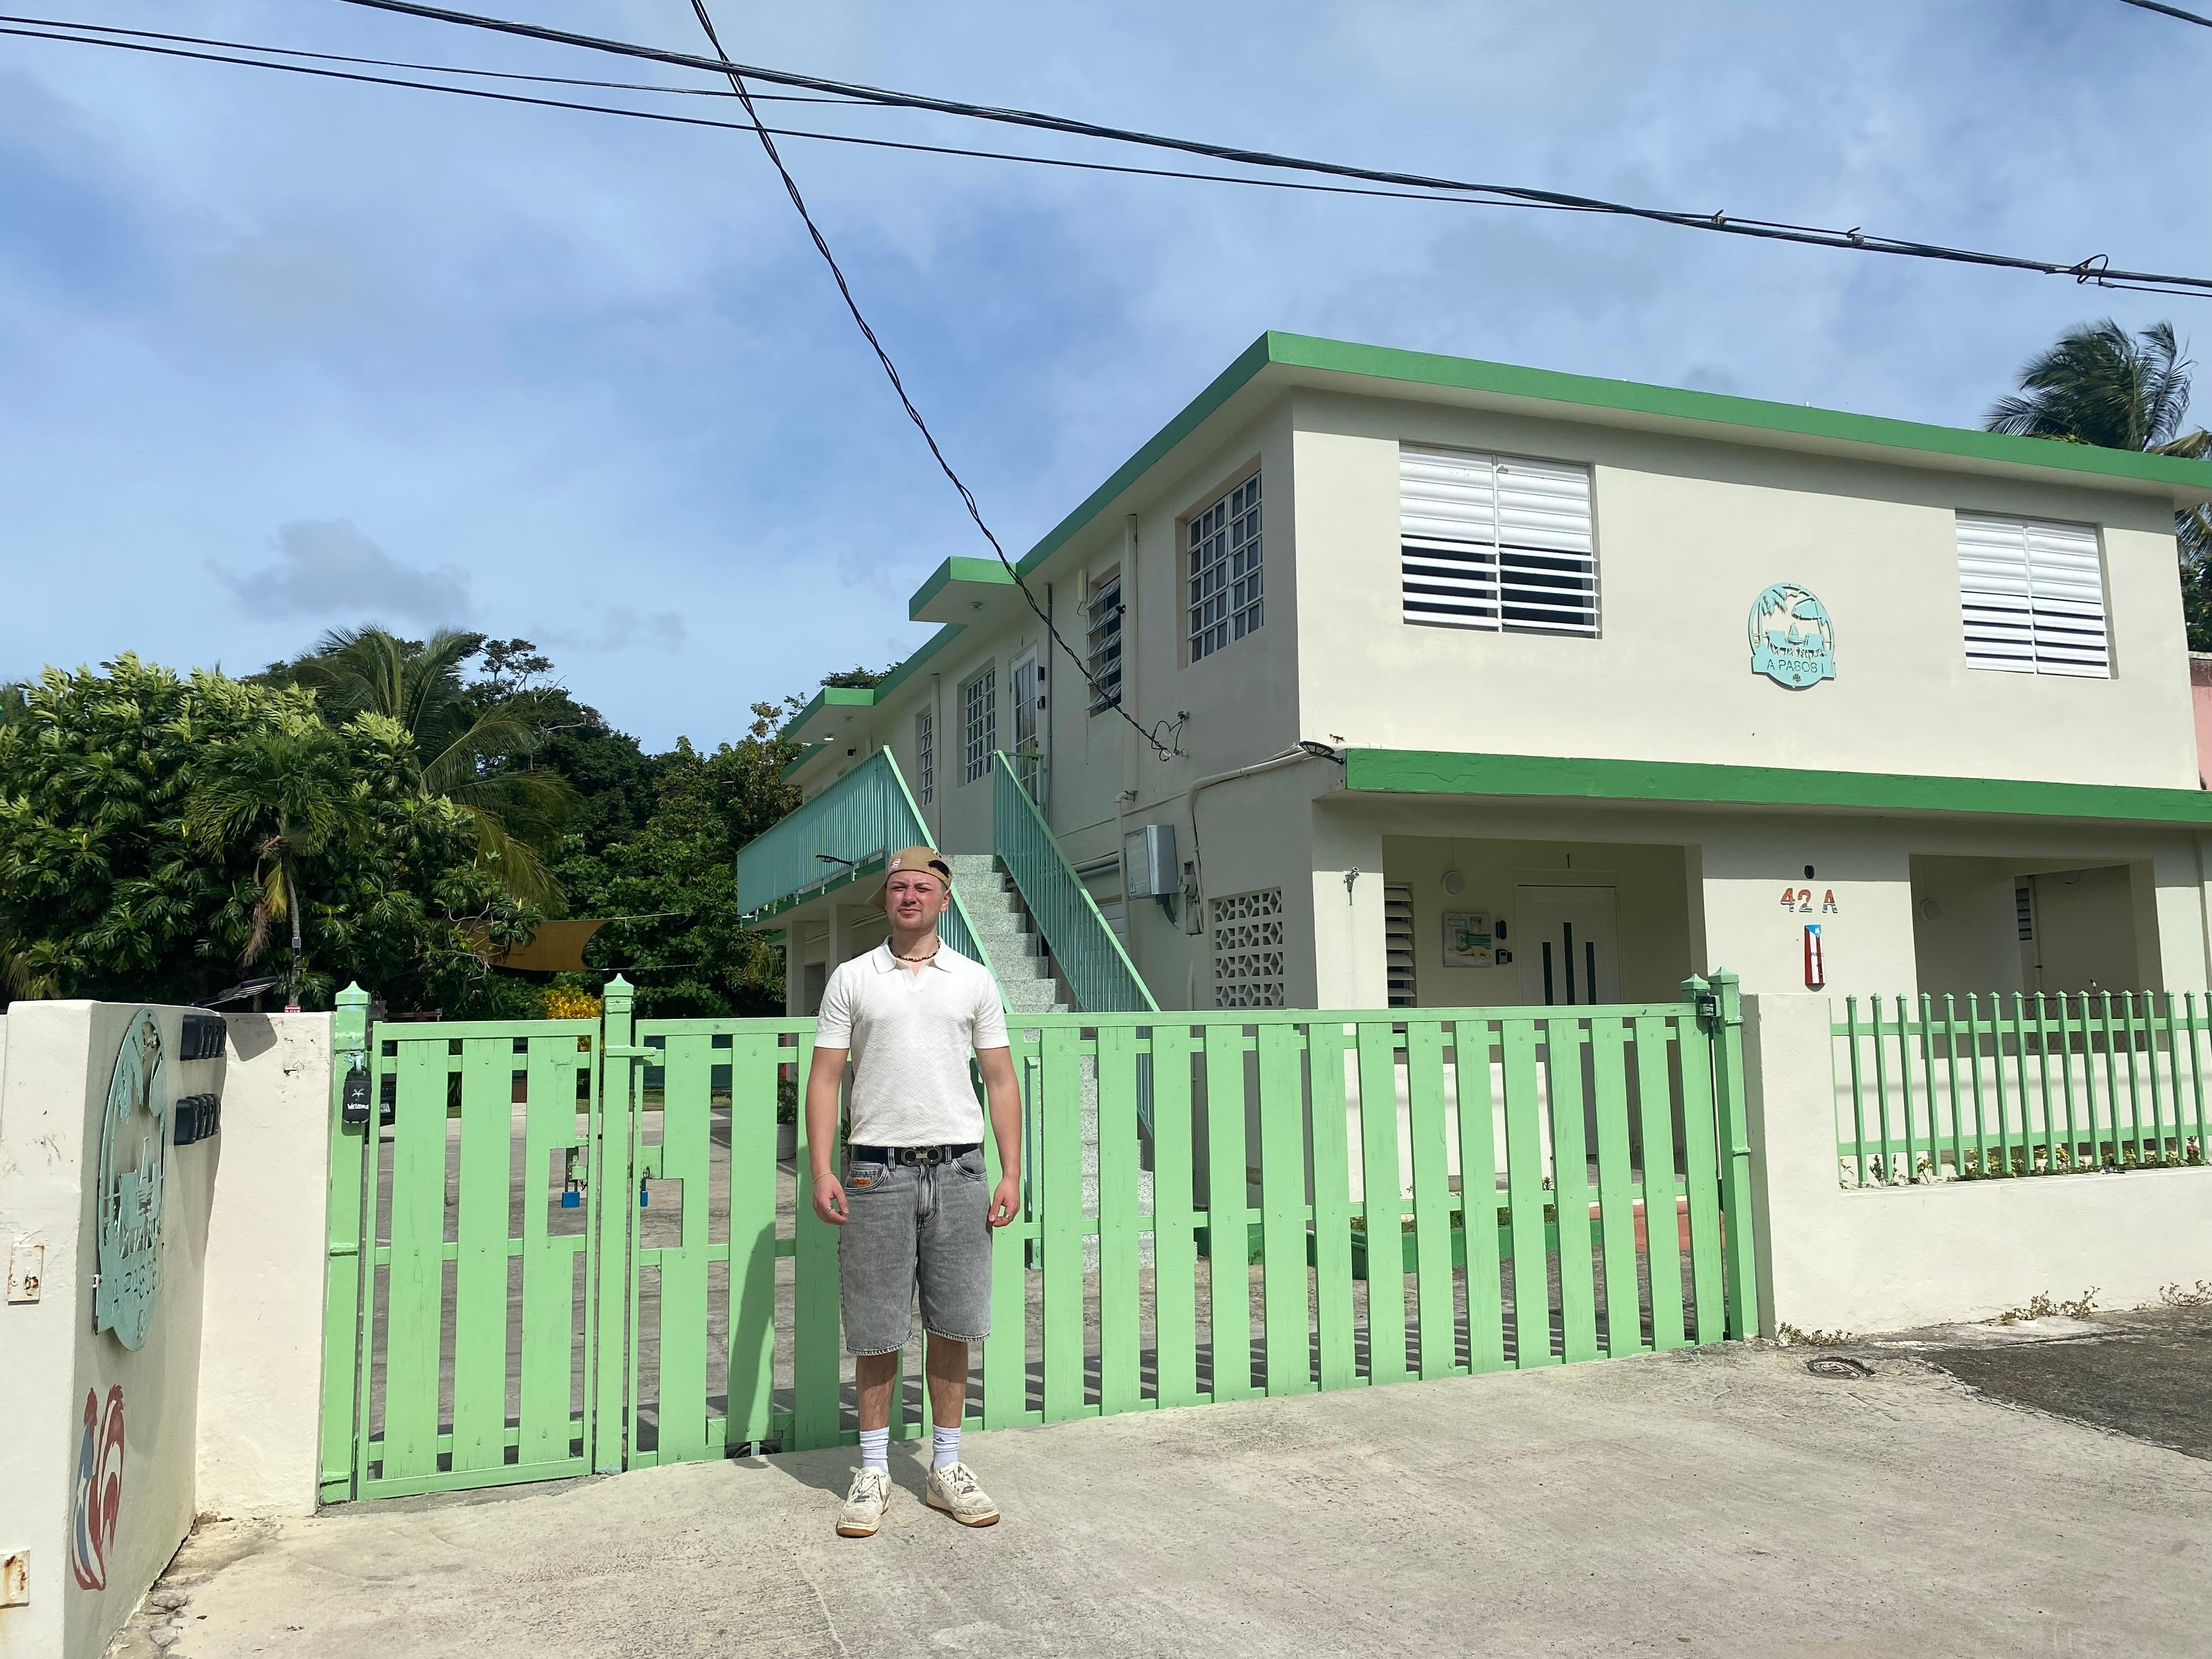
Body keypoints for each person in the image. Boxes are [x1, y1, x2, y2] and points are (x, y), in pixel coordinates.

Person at [804, 847, 1022, 1538]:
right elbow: (826, 1078)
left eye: (921, 887)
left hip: (960, 1171)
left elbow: (1001, 1080)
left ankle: (945, 1468)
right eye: (897, 887)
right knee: (875, 1327)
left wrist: (1011, 1170)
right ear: (885, 901)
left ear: (944, 900)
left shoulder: (975, 981)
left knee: (954, 1323)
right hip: (875, 1171)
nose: (908, 896)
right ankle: (872, 1471)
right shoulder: (850, 978)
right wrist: (821, 1168)